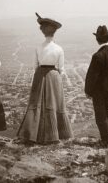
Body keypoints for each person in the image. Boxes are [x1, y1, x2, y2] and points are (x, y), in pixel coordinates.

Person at [17, 13, 73, 144]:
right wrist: (57, 77)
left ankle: (33, 135)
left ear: (43, 32)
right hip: (54, 76)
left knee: (37, 104)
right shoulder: (59, 49)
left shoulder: (38, 47)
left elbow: (35, 66)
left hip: (40, 75)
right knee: (55, 104)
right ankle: (55, 135)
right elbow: (61, 68)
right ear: (54, 32)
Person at [85, 25, 108, 147]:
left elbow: (92, 76)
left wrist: (88, 91)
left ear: (97, 39)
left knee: (100, 116)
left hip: (99, 91)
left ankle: (106, 141)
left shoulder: (97, 56)